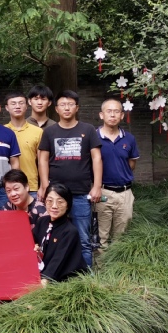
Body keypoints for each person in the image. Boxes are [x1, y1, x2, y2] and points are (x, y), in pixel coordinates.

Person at [38, 90, 103, 267]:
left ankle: (85, 276)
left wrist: (97, 185)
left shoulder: (88, 129)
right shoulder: (49, 132)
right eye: (62, 105)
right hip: (56, 195)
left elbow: (97, 158)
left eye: (70, 104)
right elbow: (43, 159)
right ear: (56, 109)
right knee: (53, 236)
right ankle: (54, 272)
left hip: (81, 193)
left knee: (83, 239)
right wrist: (44, 185)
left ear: (77, 108)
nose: (66, 108)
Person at [95, 98, 139, 251]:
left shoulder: (129, 138)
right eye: (109, 111)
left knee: (121, 236)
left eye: (116, 111)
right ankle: (101, 265)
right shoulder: (93, 137)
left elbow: (132, 164)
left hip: (125, 193)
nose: (112, 115)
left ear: (122, 115)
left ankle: (118, 264)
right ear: (101, 115)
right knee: (101, 236)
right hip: (102, 192)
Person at [33, 183, 87, 282]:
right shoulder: (42, 221)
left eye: (60, 202)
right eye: (50, 201)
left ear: (68, 205)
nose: (54, 206)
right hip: (42, 271)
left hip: (65, 280)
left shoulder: (70, 231)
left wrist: (45, 281)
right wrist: (35, 247)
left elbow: (58, 260)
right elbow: (32, 241)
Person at [4, 91, 43, 197]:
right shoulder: (2, 131)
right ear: (7, 107)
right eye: (13, 103)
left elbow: (42, 162)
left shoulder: (38, 131)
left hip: (31, 186)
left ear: (26, 106)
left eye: (21, 103)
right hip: (7, 187)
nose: (17, 106)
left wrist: (43, 186)